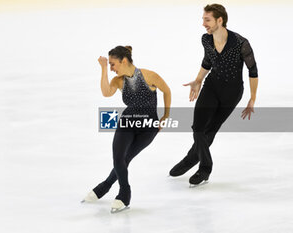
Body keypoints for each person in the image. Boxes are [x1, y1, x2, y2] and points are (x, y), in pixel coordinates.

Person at [169, 4, 258, 186]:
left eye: (207, 20)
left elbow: (253, 70)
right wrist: (198, 80)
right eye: (203, 19)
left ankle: (200, 167)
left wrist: (252, 98)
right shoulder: (206, 39)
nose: (203, 24)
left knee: (210, 130)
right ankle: (198, 162)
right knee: (198, 128)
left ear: (220, 20)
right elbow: (208, 61)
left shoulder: (240, 43)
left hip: (231, 93)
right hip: (211, 86)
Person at [82, 46, 171, 213]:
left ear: (124, 61)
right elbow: (106, 93)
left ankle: (105, 186)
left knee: (126, 158)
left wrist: (165, 116)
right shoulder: (119, 81)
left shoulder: (149, 75)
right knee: (118, 159)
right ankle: (124, 194)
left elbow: (166, 90)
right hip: (127, 122)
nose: (111, 68)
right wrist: (103, 69)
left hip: (148, 127)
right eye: (109, 65)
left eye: (112, 64)